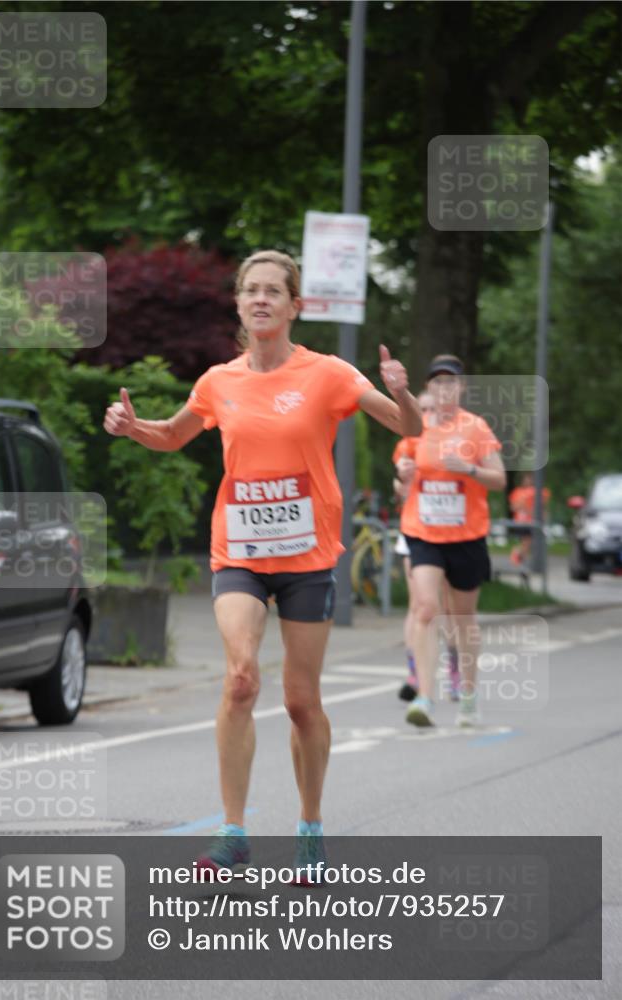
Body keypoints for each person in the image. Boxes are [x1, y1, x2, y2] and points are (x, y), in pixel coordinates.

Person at [104, 249, 422, 876]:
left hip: (308, 557)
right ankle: (233, 834)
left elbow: (405, 428)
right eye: (251, 290)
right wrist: (131, 426)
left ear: (295, 306)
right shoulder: (219, 381)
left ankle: (310, 829)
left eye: (274, 291)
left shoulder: (328, 374)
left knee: (302, 701)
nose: (261, 300)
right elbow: (172, 435)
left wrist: (403, 393)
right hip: (240, 552)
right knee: (241, 679)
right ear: (240, 303)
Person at [396, 354, 506, 728]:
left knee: (462, 619)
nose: (444, 388)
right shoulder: (415, 428)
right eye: (437, 382)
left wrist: (471, 469)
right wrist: (404, 475)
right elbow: (400, 487)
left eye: (451, 382)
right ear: (429, 388)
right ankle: (425, 698)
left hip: (467, 535)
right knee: (426, 608)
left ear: (461, 388)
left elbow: (499, 479)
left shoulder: (476, 428)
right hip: (423, 532)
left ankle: (469, 698)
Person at [392, 392, 460, 704]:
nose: (429, 413)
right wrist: (403, 483)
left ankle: (455, 670)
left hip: (452, 535)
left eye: (434, 408)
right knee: (420, 606)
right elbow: (399, 486)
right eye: (424, 409)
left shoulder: (456, 442)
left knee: (449, 608)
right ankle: (415, 671)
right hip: (415, 534)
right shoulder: (408, 444)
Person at [508, 472, 551, 565]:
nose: (528, 480)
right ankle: (517, 555)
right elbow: (514, 507)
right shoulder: (518, 492)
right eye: (526, 478)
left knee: (529, 544)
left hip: (533, 521)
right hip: (522, 522)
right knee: (527, 542)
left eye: (530, 478)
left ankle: (519, 558)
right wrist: (526, 508)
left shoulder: (541, 491)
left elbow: (543, 507)